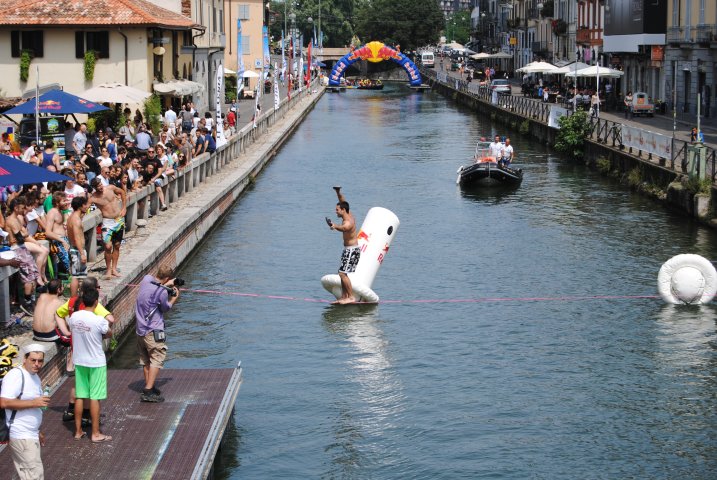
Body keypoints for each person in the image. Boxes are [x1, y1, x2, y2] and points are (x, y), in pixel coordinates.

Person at [67, 287, 112, 443]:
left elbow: (71, 328)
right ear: (96, 302)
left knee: (80, 396)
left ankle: (78, 431)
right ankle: (96, 433)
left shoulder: (74, 317)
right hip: (96, 362)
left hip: (79, 361)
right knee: (95, 397)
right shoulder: (99, 320)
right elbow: (108, 333)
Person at [0, 343, 50, 480]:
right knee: (35, 476)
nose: (37, 364)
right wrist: (34, 403)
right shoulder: (16, 375)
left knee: (28, 475)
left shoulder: (35, 376)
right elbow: (4, 402)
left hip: (30, 433)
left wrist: (37, 430)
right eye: (33, 360)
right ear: (25, 359)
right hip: (21, 435)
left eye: (40, 361)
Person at [135, 265, 181, 402]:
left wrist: (167, 283)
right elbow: (165, 308)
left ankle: (149, 385)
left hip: (140, 329)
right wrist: (174, 298)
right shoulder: (162, 292)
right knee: (157, 358)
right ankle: (148, 391)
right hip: (153, 330)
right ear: (167, 278)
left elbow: (154, 282)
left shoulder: (146, 280)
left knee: (145, 360)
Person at [326, 186, 359, 304]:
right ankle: (344, 296)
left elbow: (345, 228)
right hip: (348, 250)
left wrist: (334, 226)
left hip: (352, 250)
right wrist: (338, 192)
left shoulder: (348, 221)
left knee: (342, 274)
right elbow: (342, 201)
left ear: (343, 210)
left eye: (337, 210)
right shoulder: (348, 212)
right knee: (342, 273)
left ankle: (351, 297)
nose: (336, 211)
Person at [89, 178, 126, 279]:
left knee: (117, 245)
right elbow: (84, 208)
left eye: (101, 184)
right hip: (107, 222)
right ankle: (108, 269)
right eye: (98, 186)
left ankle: (114, 269)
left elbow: (122, 192)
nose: (100, 187)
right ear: (94, 188)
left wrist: (124, 207)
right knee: (108, 246)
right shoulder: (93, 198)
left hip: (118, 220)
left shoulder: (110, 188)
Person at [67, 196, 89, 297]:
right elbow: (77, 238)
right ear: (80, 206)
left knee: (77, 275)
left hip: (74, 249)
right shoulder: (76, 220)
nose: (87, 206)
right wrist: (82, 254)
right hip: (77, 250)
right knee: (77, 277)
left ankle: (76, 297)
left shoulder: (72, 217)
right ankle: (75, 298)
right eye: (85, 205)